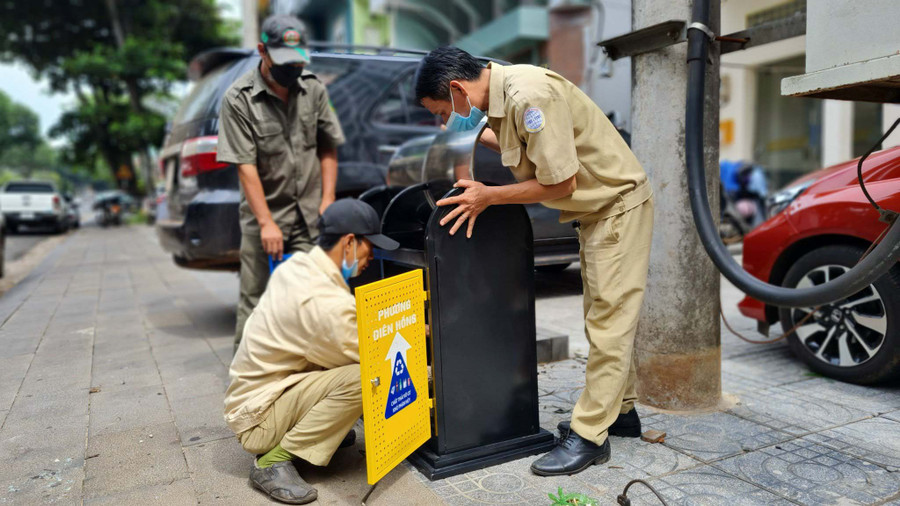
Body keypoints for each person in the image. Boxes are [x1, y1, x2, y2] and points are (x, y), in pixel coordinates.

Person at [415, 46, 654, 476]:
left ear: (457, 89)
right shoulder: (503, 101)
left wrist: (489, 196)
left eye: (443, 110)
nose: (445, 119)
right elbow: (519, 146)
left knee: (609, 321)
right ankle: (621, 413)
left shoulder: (529, 96)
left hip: (616, 208)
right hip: (597, 212)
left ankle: (589, 436)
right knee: (604, 316)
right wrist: (468, 141)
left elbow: (561, 182)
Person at [224, 199, 399, 504]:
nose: (372, 256)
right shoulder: (323, 303)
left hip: (255, 397)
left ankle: (318, 429)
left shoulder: (300, 266)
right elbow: (373, 354)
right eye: (370, 246)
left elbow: (339, 336)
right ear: (349, 242)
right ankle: (271, 462)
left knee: (344, 365)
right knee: (368, 376)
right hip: (258, 420)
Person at [217, 14, 345, 351]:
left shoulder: (314, 88)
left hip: (309, 214)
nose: (293, 69)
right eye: (284, 61)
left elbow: (328, 146)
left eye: (297, 60)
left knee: (312, 294)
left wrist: (328, 199)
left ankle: (304, 366)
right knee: (256, 298)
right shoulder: (238, 99)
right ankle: (246, 374)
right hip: (265, 216)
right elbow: (245, 166)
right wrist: (265, 223)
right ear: (262, 51)